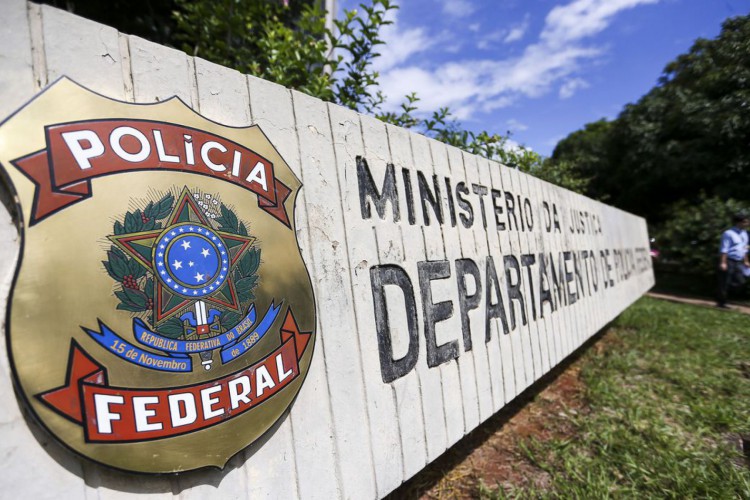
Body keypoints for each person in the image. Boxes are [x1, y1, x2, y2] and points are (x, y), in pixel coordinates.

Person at [717, 211, 750, 308]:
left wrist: (746, 261)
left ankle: (722, 294)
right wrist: (723, 262)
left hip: (739, 261)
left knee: (740, 282)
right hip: (729, 260)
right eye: (745, 222)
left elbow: (744, 248)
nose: (747, 223)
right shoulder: (728, 233)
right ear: (738, 222)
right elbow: (724, 249)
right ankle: (721, 303)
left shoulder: (744, 234)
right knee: (725, 281)